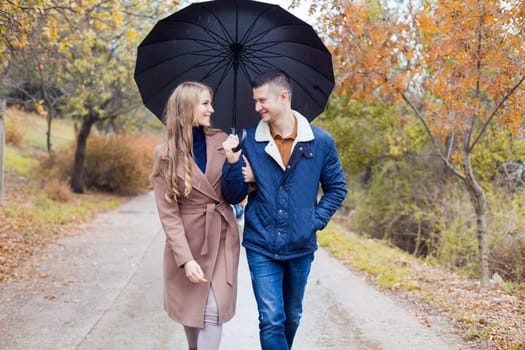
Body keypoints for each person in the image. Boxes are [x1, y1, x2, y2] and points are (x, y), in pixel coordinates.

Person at [221, 70, 347, 350]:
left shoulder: (319, 141)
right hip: (261, 244)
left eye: (262, 100)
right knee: (271, 319)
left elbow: (337, 188)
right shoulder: (248, 139)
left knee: (291, 317)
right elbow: (232, 194)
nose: (257, 107)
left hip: (301, 246)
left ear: (284, 97)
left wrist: (313, 220)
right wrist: (232, 163)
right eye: (255, 101)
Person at [150, 81, 240, 350]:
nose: (211, 109)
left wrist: (234, 163)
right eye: (205, 103)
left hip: (222, 237)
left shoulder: (223, 140)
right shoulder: (165, 154)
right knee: (193, 318)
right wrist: (185, 260)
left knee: (212, 310)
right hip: (187, 243)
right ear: (186, 107)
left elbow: (235, 195)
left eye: (210, 102)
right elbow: (168, 215)